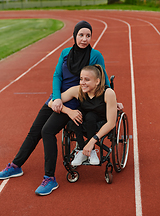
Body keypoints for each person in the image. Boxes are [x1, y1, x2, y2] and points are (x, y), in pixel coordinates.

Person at [0, 21, 110, 196]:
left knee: (48, 131)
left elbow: (103, 79)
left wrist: (113, 98)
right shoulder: (65, 53)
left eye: (88, 35)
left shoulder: (95, 55)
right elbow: (57, 75)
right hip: (57, 97)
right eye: (81, 35)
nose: (84, 39)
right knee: (34, 131)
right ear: (74, 35)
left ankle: (49, 178)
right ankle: (15, 165)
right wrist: (56, 97)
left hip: (75, 101)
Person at [59, 64, 117, 167]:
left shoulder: (108, 93)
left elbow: (111, 123)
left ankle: (92, 151)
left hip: (101, 120)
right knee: (76, 114)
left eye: (87, 80)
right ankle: (82, 151)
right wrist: (68, 111)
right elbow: (51, 101)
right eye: (81, 79)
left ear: (97, 81)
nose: (83, 83)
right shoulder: (78, 90)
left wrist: (92, 141)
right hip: (85, 120)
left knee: (90, 116)